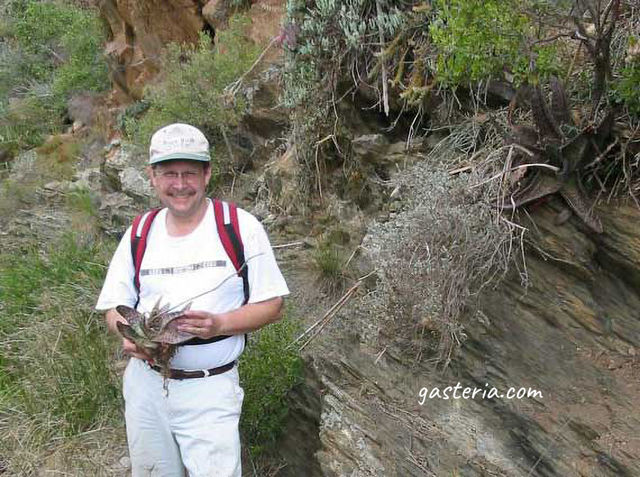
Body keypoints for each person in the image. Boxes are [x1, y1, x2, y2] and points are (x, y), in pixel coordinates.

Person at [95, 123, 289, 476]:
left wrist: (219, 324)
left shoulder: (239, 227)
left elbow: (273, 305)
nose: (180, 184)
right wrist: (131, 335)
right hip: (146, 387)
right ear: (152, 177)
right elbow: (113, 305)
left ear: (207, 174)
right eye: (169, 174)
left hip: (210, 390)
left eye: (190, 173)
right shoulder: (139, 232)